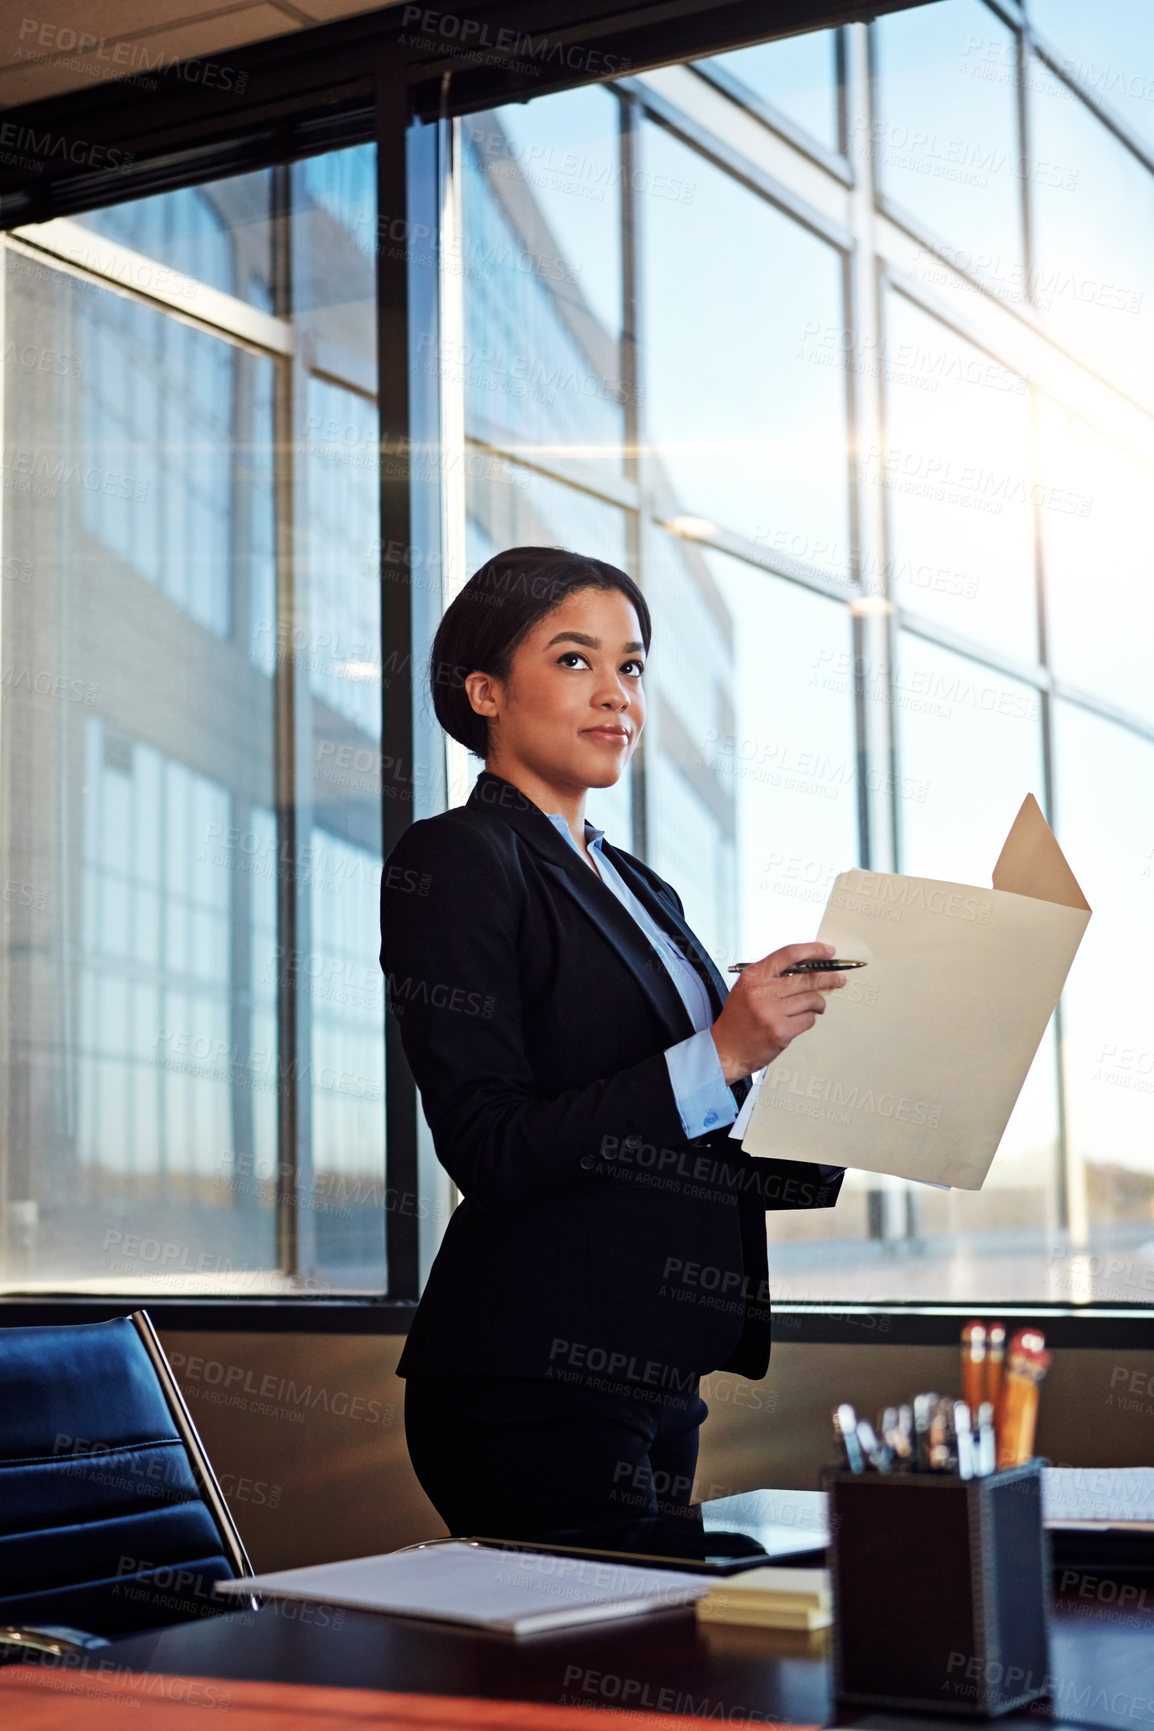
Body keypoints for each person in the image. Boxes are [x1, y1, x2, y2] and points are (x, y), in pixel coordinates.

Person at [379, 546, 846, 1544]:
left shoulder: (640, 887)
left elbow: (687, 1120)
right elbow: (488, 1146)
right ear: (485, 691)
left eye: (630, 667)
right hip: (528, 1374)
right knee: (616, 1676)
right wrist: (721, 1051)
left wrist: (816, 1078)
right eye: (574, 660)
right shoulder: (457, 858)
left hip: (654, 1367)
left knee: (651, 1673)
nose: (615, 695)